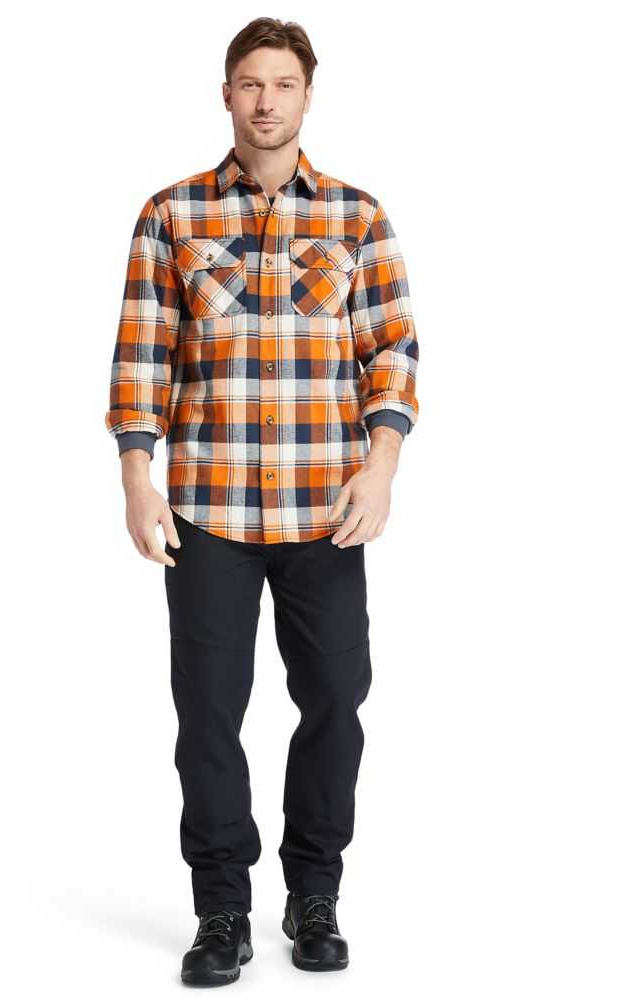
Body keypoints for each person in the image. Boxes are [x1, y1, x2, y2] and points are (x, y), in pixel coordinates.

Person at [104, 17, 420, 986]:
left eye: (283, 83)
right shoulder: (171, 213)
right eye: (250, 83)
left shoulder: (357, 216)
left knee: (334, 701)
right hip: (208, 511)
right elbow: (143, 354)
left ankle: (314, 892)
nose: (266, 100)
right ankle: (222, 908)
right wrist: (136, 478)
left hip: (327, 510)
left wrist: (381, 466)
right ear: (226, 95)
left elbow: (391, 352)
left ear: (308, 95)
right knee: (207, 714)